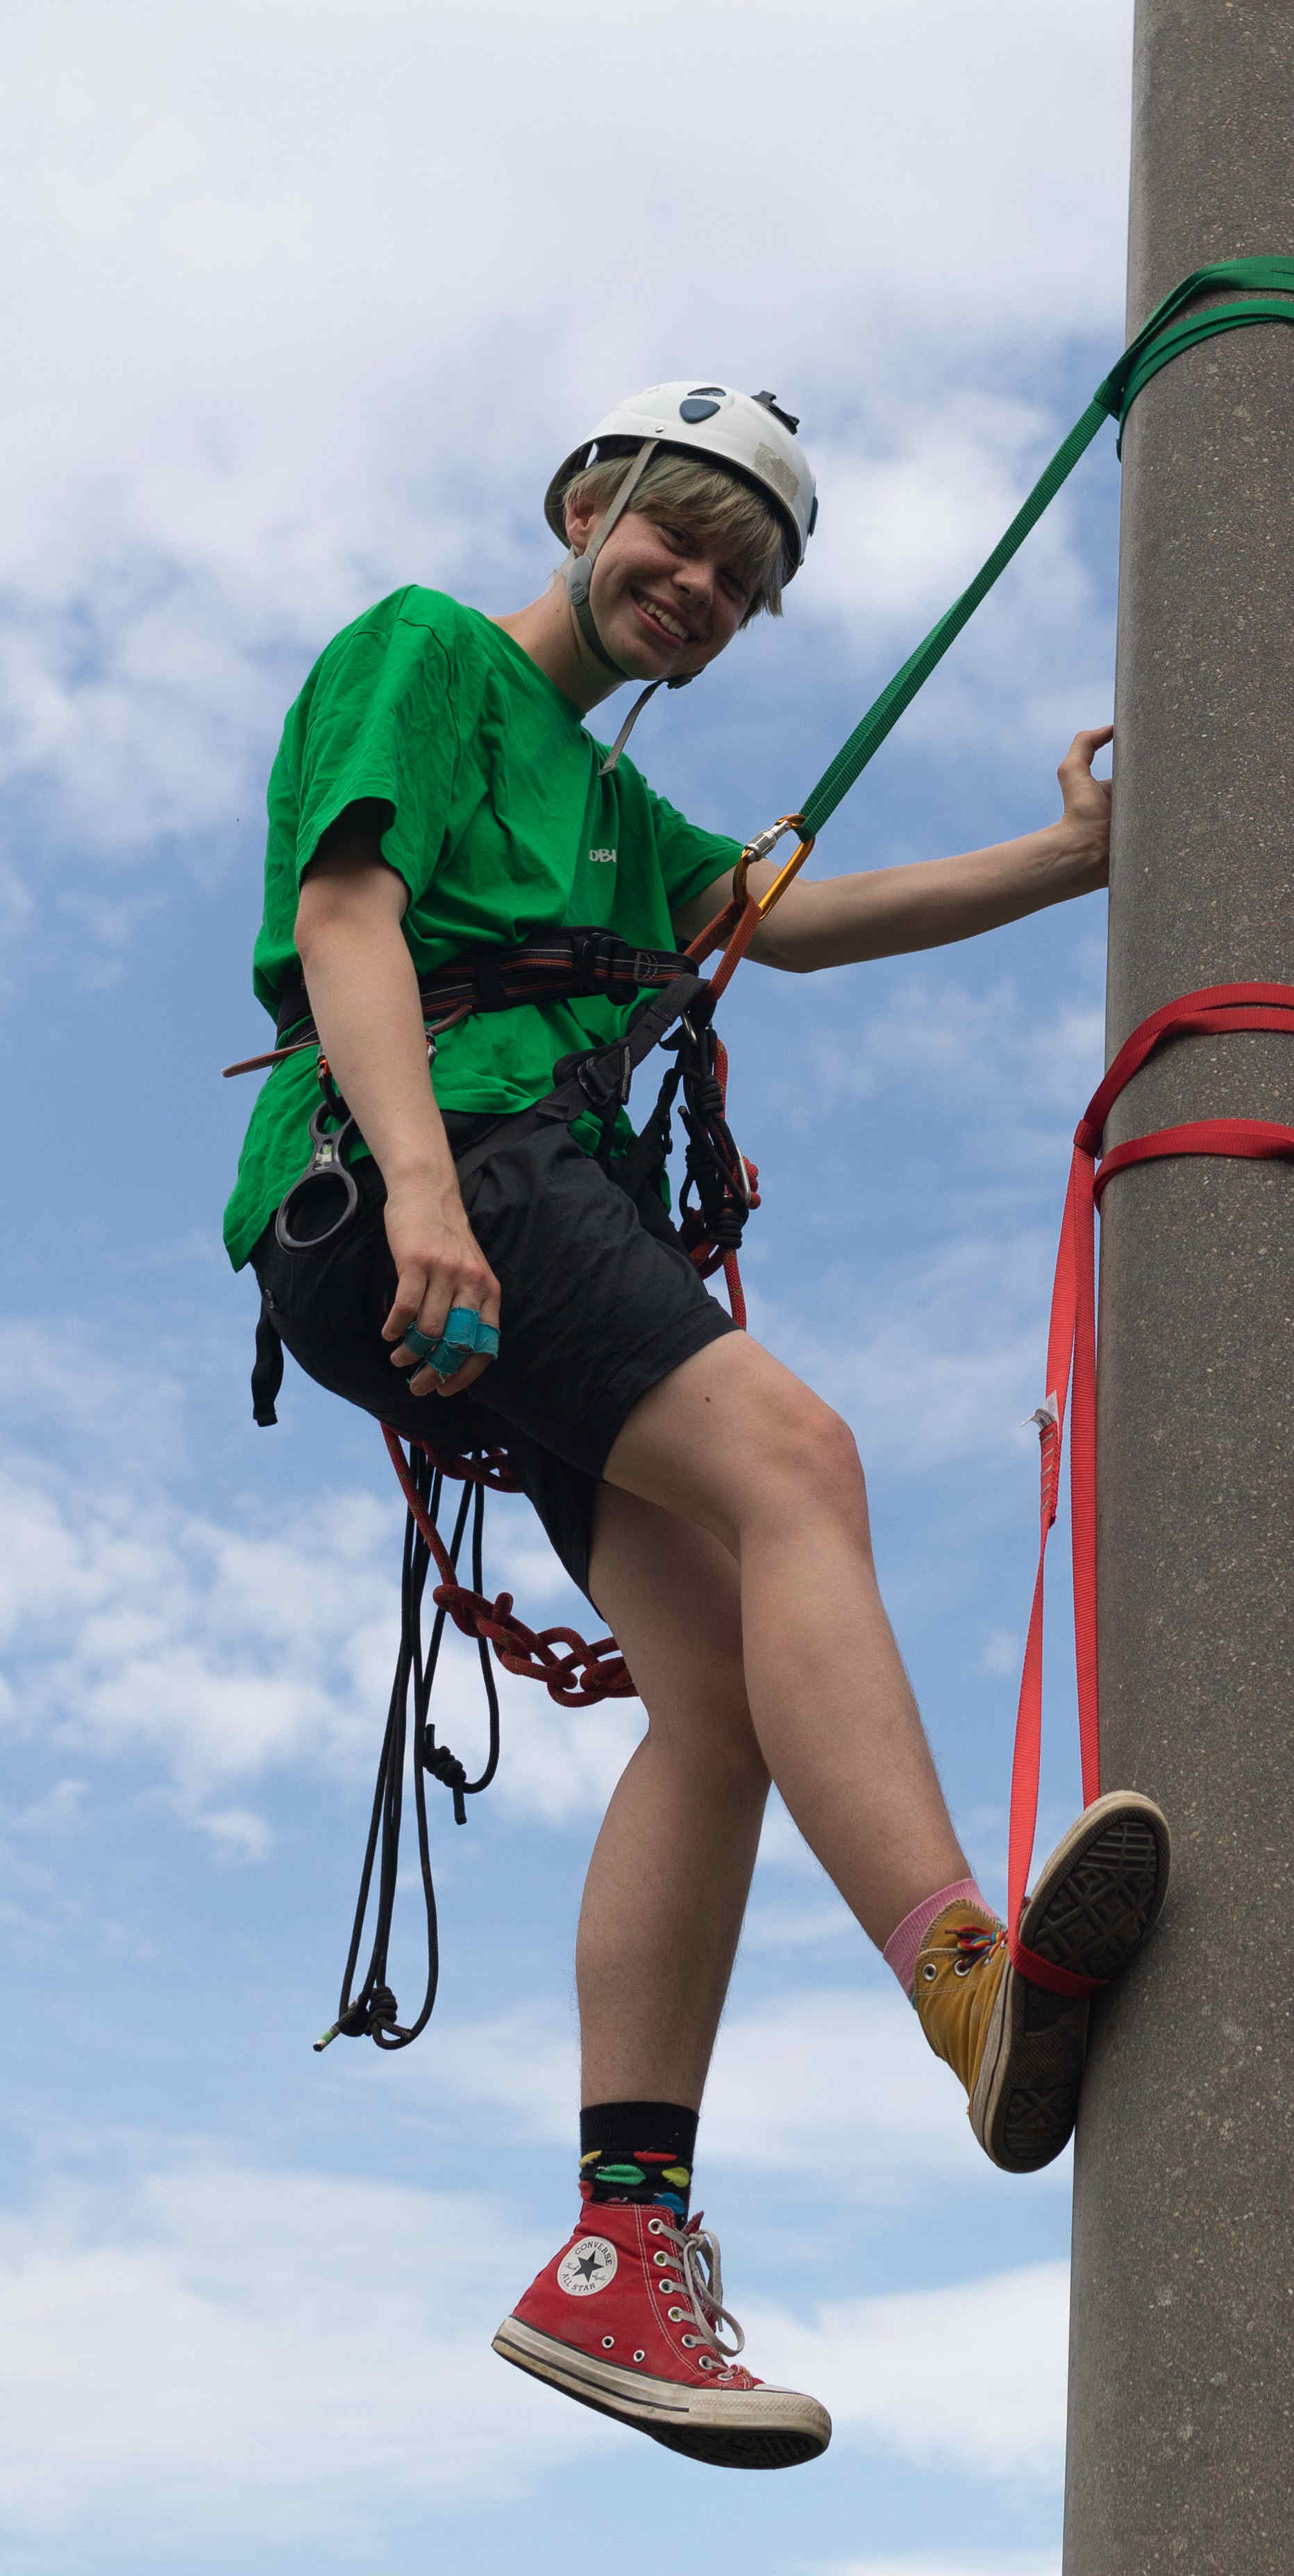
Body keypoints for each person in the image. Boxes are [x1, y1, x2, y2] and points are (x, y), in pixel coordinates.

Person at [224, 384, 1170, 2468]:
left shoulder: (619, 817)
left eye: (744, 583)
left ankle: (617, 2244)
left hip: (501, 1206)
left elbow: (795, 922)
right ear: (584, 501)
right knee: (800, 1467)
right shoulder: (426, 652)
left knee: (722, 1700)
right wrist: (421, 1191)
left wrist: (1078, 860)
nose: (701, 587)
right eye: (676, 538)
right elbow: (349, 915)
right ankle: (963, 1976)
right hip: (444, 1170)